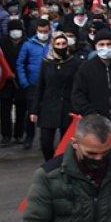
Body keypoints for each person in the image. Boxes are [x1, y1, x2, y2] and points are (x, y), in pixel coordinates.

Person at [31, 30, 81, 160]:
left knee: (67, 143)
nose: (61, 47)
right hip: (48, 107)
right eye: (58, 44)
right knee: (46, 143)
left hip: (68, 106)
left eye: (64, 44)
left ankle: (64, 164)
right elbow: (40, 87)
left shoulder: (74, 63)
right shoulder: (47, 63)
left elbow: (78, 86)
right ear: (53, 45)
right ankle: (50, 163)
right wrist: (34, 110)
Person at [16, 18, 53, 151]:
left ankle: (48, 138)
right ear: (36, 31)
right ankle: (29, 137)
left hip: (50, 84)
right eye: (40, 31)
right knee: (31, 111)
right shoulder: (28, 45)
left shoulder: (53, 43)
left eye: (45, 31)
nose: (43, 33)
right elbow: (20, 64)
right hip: (33, 84)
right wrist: (24, 82)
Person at [0, 18, 31, 147]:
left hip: (22, 81)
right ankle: (6, 135)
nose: (15, 32)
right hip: (5, 82)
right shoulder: (0, 44)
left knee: (21, 110)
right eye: (12, 30)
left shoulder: (27, 43)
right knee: (5, 110)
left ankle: (19, 134)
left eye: (17, 29)